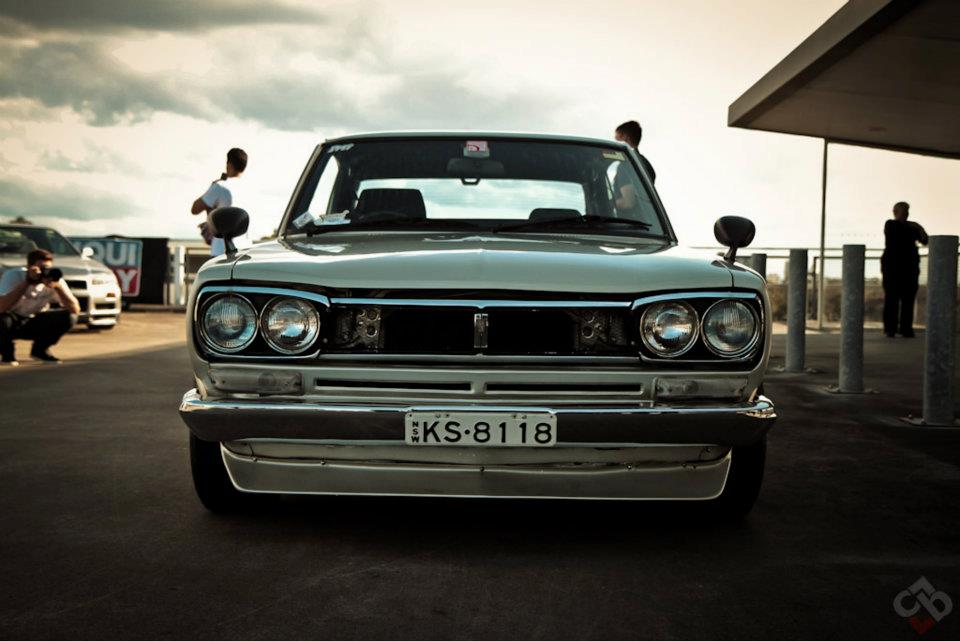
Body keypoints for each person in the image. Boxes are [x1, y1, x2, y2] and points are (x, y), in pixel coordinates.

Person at [0, 248, 80, 365]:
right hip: (11, 322)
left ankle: (40, 350)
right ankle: (7, 353)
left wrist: (58, 288)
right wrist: (27, 282)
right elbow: (1, 307)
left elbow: (75, 309)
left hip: (34, 321)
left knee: (70, 317)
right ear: (29, 267)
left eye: (47, 268)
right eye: (41, 269)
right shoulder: (14, 275)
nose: (44, 272)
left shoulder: (54, 280)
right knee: (2, 319)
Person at [191, 147, 251, 257]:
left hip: (222, 250)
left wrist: (212, 187)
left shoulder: (220, 186)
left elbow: (195, 209)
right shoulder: (250, 189)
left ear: (229, 164)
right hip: (245, 250)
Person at [882, 201, 928, 338]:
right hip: (893, 268)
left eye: (907, 211)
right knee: (891, 298)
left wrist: (919, 227)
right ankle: (890, 328)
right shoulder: (891, 224)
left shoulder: (913, 227)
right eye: (904, 211)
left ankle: (906, 328)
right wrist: (914, 226)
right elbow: (896, 233)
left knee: (908, 299)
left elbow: (925, 240)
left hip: (910, 268)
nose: (906, 214)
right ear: (895, 212)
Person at [613, 120, 656, 217]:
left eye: (617, 138)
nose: (614, 141)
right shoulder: (644, 163)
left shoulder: (626, 165)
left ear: (625, 137)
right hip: (648, 220)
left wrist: (608, 204)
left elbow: (628, 202)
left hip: (630, 221)